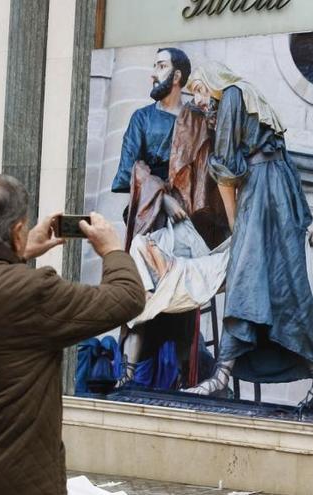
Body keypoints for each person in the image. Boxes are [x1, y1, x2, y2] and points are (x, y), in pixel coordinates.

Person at [0, 174, 145, 494]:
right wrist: (112, 250)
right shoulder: (32, 292)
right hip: (11, 482)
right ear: (17, 230)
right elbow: (126, 297)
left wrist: (17, 254)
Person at [182, 61, 313, 403]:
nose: (200, 101)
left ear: (212, 82)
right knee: (287, 284)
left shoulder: (232, 96)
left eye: (200, 91)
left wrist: (237, 230)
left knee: (244, 275)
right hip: (278, 194)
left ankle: (221, 375)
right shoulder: (250, 96)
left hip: (262, 192)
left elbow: (225, 169)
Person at [112, 47, 228, 388]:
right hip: (152, 216)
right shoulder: (142, 119)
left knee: (185, 300)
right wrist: (161, 199)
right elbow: (130, 170)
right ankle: (128, 375)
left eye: (160, 66)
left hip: (188, 221)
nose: (153, 73)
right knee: (142, 292)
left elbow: (212, 167)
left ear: (177, 77)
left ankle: (182, 377)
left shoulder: (196, 119)